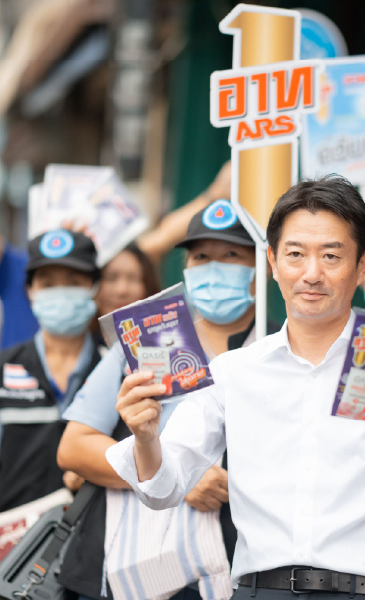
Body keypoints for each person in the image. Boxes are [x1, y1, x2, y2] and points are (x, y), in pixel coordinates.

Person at [109, 176, 365, 600]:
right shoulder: (233, 371)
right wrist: (145, 438)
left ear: (362, 264)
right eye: (296, 254)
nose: (312, 274)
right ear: (273, 261)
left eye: (332, 256)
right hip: (261, 591)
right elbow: (164, 488)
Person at [57, 200, 266, 599]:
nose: (213, 267)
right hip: (125, 568)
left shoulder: (277, 348)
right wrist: (175, 476)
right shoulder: (149, 339)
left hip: (234, 572)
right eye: (201, 256)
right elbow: (74, 447)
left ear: (261, 266)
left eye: (231, 255)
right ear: (185, 268)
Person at [0, 106, 233, 349]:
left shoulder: (101, 272)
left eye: (74, 279)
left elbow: (159, 240)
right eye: (47, 281)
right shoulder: (15, 272)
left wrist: (214, 195)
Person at [0, 230, 103, 599]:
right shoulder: (3, 370)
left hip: (92, 571)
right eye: (48, 283)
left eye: (74, 281)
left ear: (95, 287)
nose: (61, 293)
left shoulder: (115, 370)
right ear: (30, 290)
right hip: (8, 570)